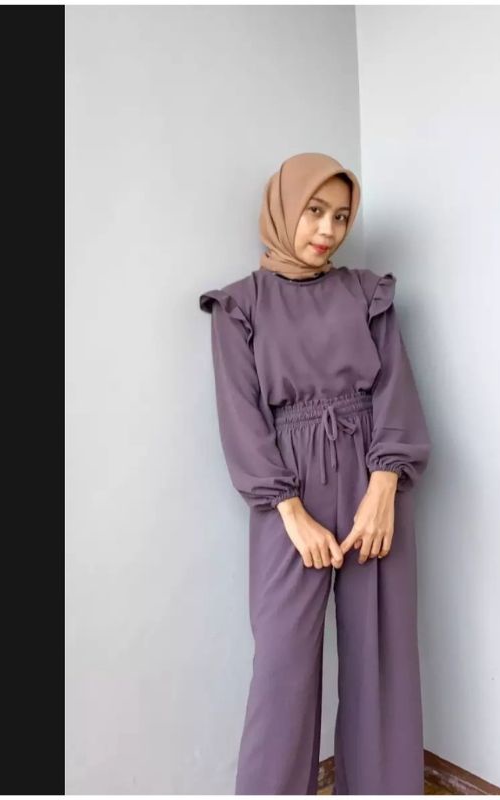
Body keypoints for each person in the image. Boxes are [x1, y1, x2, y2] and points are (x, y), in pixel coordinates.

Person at [199, 152, 431, 794]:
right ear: (282, 209)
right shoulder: (238, 306)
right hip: (288, 491)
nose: (328, 229)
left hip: (372, 476)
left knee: (381, 661)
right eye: (314, 210)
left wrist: (384, 487)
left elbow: (396, 389)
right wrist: (290, 511)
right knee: (282, 670)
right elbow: (240, 417)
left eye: (341, 216)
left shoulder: (367, 293)